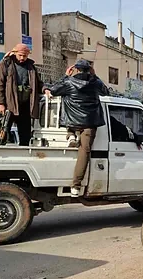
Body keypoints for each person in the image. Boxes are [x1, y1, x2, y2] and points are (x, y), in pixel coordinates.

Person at [43, 60, 109, 197]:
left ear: (76, 70)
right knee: (84, 153)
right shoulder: (95, 83)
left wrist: (66, 76)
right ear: (89, 70)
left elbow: (53, 90)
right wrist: (95, 76)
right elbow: (106, 92)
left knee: (65, 102)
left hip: (72, 122)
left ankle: (71, 135)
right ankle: (76, 186)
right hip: (90, 123)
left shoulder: (68, 83)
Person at [0, 43, 44, 146]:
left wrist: (45, 89)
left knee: (25, 136)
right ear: (14, 53)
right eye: (20, 55)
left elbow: (39, 84)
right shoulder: (6, 64)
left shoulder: (31, 67)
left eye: (25, 55)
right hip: (9, 105)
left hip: (25, 106)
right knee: (4, 132)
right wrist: (0, 103)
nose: (22, 58)